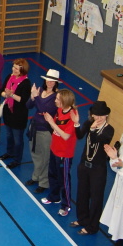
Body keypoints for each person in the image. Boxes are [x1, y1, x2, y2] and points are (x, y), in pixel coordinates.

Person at [71, 101, 114, 235]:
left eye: (102, 115)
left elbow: (97, 140)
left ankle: (93, 226)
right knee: (82, 194)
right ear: (92, 115)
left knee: (96, 198)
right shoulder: (90, 123)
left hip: (98, 169)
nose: (99, 118)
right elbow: (79, 135)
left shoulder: (109, 130)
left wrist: (93, 130)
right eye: (96, 115)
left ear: (107, 115)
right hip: (84, 165)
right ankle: (83, 219)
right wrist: (77, 124)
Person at [41, 89, 79, 217]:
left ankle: (66, 205)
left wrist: (51, 122)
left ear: (64, 101)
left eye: (57, 99)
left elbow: (66, 136)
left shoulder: (72, 116)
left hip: (64, 154)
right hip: (54, 149)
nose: (55, 101)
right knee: (52, 174)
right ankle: (54, 196)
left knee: (64, 180)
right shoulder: (59, 110)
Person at [25, 69, 60, 194]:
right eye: (48, 80)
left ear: (56, 83)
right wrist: (32, 97)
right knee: (35, 153)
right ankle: (36, 176)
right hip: (34, 127)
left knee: (45, 157)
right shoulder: (39, 91)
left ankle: (44, 182)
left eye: (53, 81)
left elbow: (44, 109)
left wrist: (36, 97)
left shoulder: (56, 97)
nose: (50, 83)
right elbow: (28, 106)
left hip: (46, 131)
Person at [0, 58, 31, 169]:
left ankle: (17, 159)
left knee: (18, 140)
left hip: (19, 115)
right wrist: (6, 94)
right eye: (14, 67)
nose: (14, 69)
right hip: (8, 111)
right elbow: (2, 91)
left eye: (17, 68)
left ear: (23, 70)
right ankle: (10, 152)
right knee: (9, 135)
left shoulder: (26, 83)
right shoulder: (9, 77)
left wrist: (11, 95)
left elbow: (23, 100)